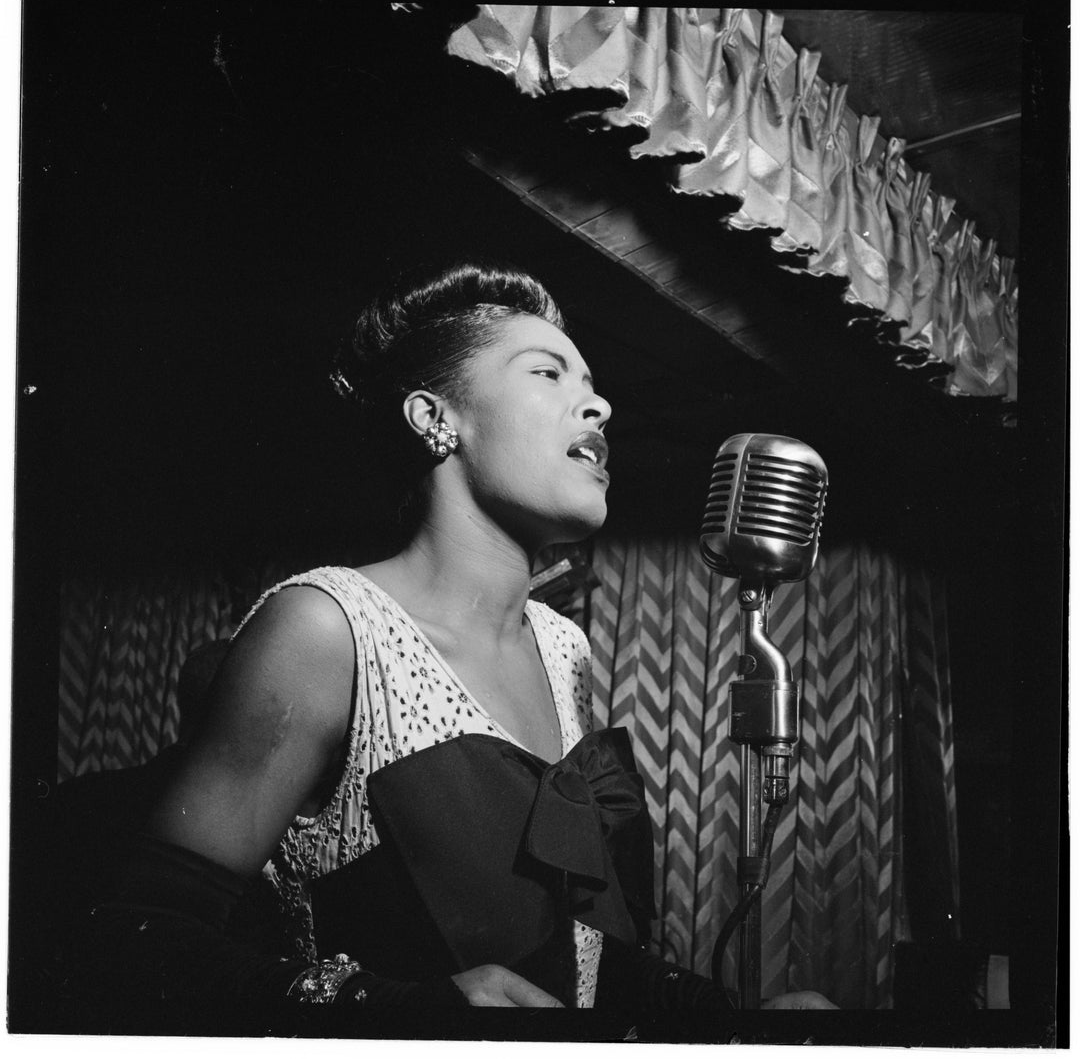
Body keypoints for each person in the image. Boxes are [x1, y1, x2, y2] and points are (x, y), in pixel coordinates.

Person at [70, 261, 833, 1036]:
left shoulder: (562, 646)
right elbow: (138, 937)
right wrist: (402, 1011)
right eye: (548, 372)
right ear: (436, 418)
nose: (599, 405)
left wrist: (729, 1016)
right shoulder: (327, 627)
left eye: (593, 382)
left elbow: (570, 950)